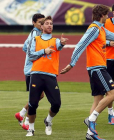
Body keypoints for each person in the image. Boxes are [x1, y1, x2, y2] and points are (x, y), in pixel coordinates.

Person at [60, 4, 114, 140]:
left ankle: (90, 133)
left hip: (97, 67)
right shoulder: (94, 29)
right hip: (97, 68)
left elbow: (113, 36)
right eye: (106, 14)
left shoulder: (101, 29)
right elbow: (80, 45)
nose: (108, 17)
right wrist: (71, 64)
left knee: (98, 100)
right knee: (112, 94)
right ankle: (91, 119)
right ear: (102, 15)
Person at [26, 16, 68, 136]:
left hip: (50, 76)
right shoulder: (35, 39)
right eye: (47, 23)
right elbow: (30, 55)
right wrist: (44, 51)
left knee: (56, 104)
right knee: (32, 104)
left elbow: (59, 45)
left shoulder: (55, 41)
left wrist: (62, 43)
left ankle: (48, 120)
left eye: (51, 23)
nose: (50, 25)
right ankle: (31, 129)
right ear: (42, 26)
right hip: (36, 74)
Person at [15, 13, 45, 130]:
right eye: (39, 23)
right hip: (32, 70)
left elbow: (24, 48)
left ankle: (22, 114)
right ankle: (26, 121)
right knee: (36, 96)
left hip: (31, 69)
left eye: (43, 22)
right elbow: (29, 50)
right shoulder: (36, 35)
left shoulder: (34, 33)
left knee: (39, 95)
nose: (42, 25)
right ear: (34, 23)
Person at [105, 4, 114, 125]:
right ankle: (110, 112)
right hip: (108, 59)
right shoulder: (105, 22)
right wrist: (108, 42)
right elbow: (97, 38)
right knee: (110, 88)